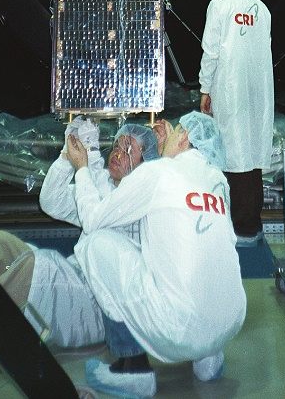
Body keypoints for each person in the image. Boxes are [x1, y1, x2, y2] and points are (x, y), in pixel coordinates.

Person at [0, 119, 158, 372]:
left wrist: (88, 162)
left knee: (34, 269)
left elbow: (96, 217)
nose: (118, 153)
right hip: (73, 284)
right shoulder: (106, 189)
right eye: (117, 145)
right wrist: (67, 156)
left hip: (95, 309)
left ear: (145, 165)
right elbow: (52, 202)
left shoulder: (139, 205)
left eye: (129, 149)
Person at [64, 111, 247, 398]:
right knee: (200, 251)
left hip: (177, 331)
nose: (166, 136)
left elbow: (92, 219)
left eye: (174, 133)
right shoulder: (218, 181)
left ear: (184, 137)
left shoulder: (158, 173)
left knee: (96, 242)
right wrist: (164, 153)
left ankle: (131, 368)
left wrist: (82, 169)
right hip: (230, 324)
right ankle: (208, 356)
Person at [198, 0, 274, 245]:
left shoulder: (219, 6)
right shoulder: (262, 10)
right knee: (252, 152)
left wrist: (206, 87)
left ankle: (239, 225)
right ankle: (251, 221)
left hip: (230, 89)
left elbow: (211, 51)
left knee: (232, 152)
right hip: (259, 90)